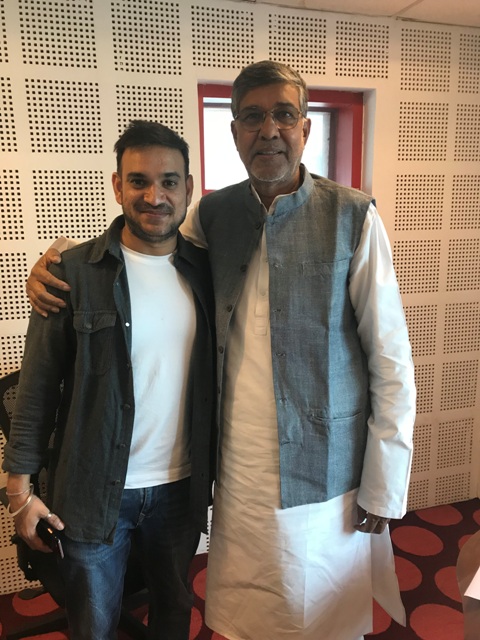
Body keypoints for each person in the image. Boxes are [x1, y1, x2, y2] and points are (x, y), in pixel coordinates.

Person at [25, 61, 415, 640]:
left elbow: (391, 358)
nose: (269, 130)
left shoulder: (352, 215)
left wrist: (385, 481)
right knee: (249, 610)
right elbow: (149, 239)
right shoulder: (212, 214)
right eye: (252, 117)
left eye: (284, 114)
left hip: (325, 462)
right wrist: (62, 260)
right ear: (234, 133)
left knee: (320, 607)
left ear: (305, 128)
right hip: (236, 466)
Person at [3, 120, 216, 640]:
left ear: (188, 188)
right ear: (118, 186)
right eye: (139, 181)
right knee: (94, 625)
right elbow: (36, 389)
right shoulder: (71, 272)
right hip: (92, 489)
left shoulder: (209, 273)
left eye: (169, 181)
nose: (155, 196)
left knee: (174, 611)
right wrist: (19, 493)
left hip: (181, 488)